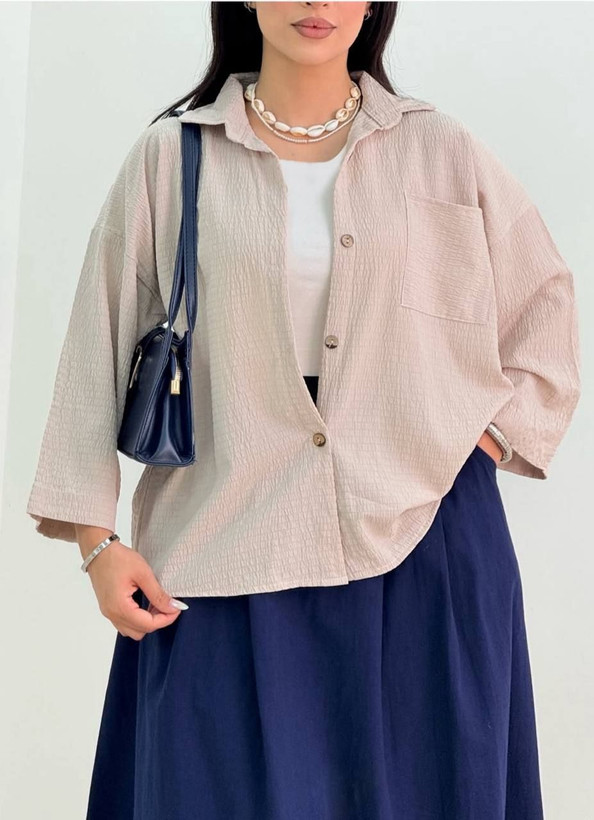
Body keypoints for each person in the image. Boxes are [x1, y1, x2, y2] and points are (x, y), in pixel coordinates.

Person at [26, 3, 581, 818]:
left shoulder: (440, 148)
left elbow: (546, 305)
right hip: (224, 546)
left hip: (427, 548)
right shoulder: (173, 157)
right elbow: (95, 347)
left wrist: (482, 446)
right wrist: (97, 543)